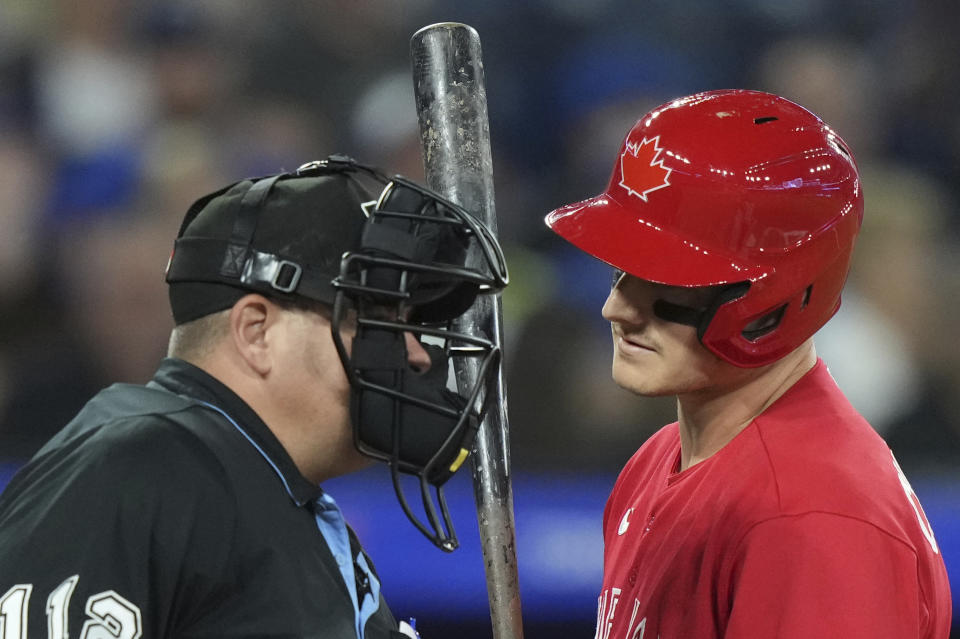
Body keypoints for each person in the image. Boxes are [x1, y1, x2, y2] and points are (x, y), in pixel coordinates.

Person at [0, 155, 507, 638]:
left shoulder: (283, 501)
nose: (418, 355)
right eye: (376, 321)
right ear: (257, 332)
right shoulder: (142, 466)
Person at [544, 90, 951, 638]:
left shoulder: (811, 513)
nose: (615, 309)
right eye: (622, 273)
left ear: (774, 297)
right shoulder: (657, 461)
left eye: (667, 283)